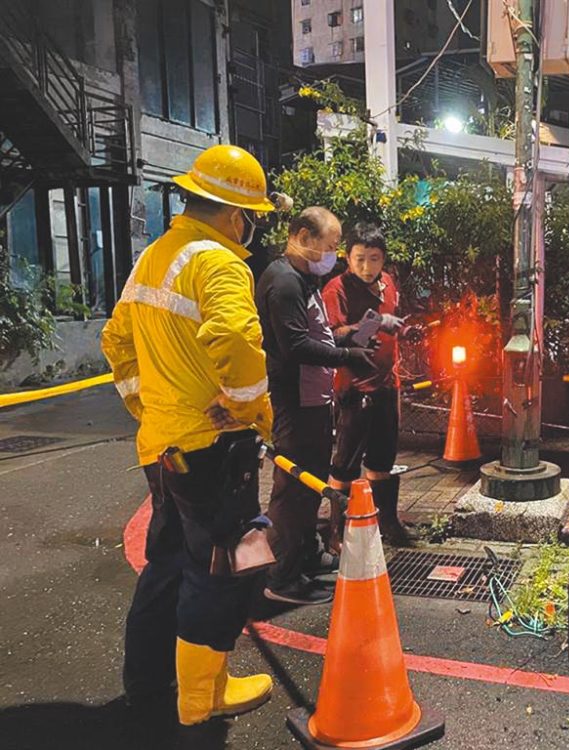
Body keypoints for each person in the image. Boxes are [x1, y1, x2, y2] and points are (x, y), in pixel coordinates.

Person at [102, 144, 275, 726]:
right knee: (224, 565)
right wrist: (250, 409)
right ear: (234, 214)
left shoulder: (155, 255)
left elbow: (115, 340)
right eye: (251, 217)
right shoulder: (220, 262)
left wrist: (144, 406)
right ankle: (202, 698)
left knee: (170, 560)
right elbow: (234, 340)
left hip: (162, 442)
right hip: (210, 446)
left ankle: (150, 685)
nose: (250, 229)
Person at [255, 206, 375, 605]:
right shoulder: (284, 283)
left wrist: (350, 337)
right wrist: (348, 357)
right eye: (331, 245)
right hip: (296, 402)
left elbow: (317, 337)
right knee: (294, 491)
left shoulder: (303, 279)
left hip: (315, 400)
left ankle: (305, 557)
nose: (334, 255)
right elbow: (294, 347)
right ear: (304, 237)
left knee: (309, 487)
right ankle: (283, 577)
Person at [322, 222, 417, 546]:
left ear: (383, 259)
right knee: (345, 464)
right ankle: (336, 533)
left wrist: (398, 328)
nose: (366, 266)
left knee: (382, 461)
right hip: (354, 390)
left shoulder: (387, 283)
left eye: (374, 258)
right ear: (347, 257)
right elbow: (334, 338)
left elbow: (391, 323)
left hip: (385, 386)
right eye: (359, 258)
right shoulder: (336, 289)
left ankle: (388, 524)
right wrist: (372, 324)